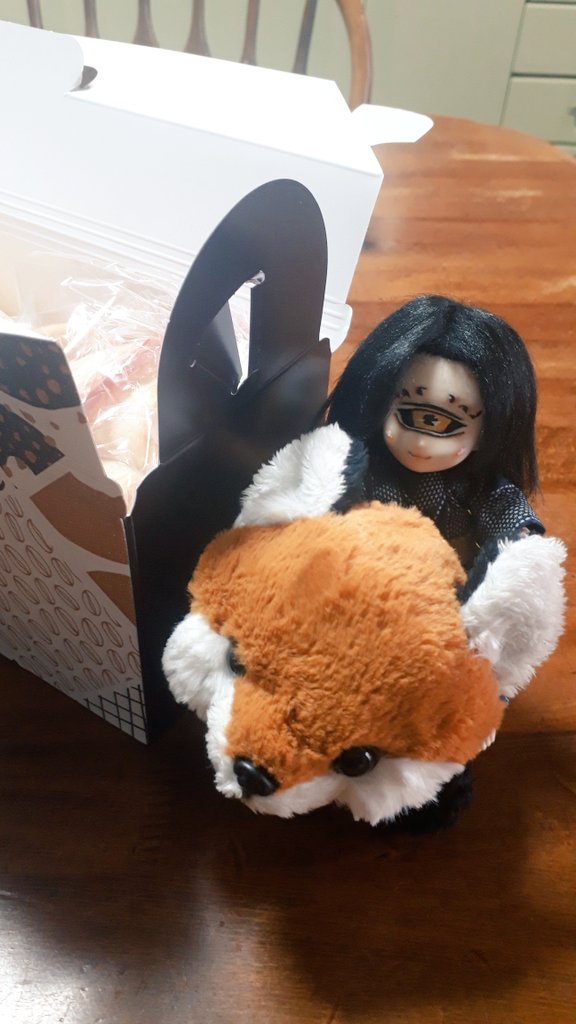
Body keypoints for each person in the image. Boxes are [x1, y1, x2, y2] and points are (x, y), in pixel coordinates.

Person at [323, 294, 543, 566]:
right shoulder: (368, 471)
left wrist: (520, 540)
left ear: (488, 433)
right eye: (406, 415)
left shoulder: (471, 487)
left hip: (450, 573)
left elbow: (502, 505)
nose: (421, 442)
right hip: (374, 564)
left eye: (446, 424)